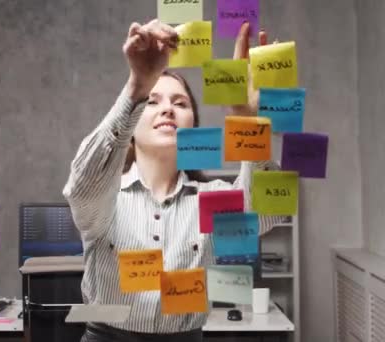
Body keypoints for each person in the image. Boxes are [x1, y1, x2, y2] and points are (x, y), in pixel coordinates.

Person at [62, 19, 284, 342]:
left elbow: (269, 210)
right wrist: (137, 86)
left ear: (192, 126)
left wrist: (248, 121)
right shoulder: (108, 196)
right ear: (131, 123)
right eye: (153, 101)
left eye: (180, 103)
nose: (168, 109)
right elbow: (80, 187)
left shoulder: (211, 200)